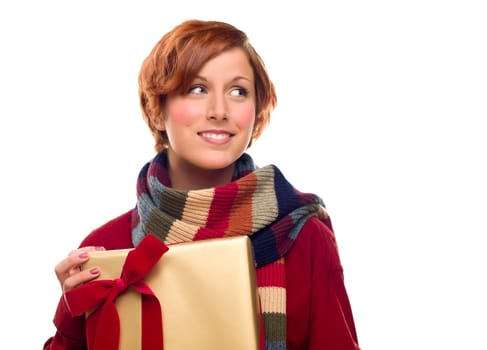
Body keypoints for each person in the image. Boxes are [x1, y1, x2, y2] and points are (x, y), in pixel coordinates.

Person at [43, 19, 360, 350]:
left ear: (256, 112)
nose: (220, 110)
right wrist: (72, 313)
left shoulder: (304, 238)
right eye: (197, 88)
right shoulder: (107, 250)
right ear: (156, 110)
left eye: (238, 91)